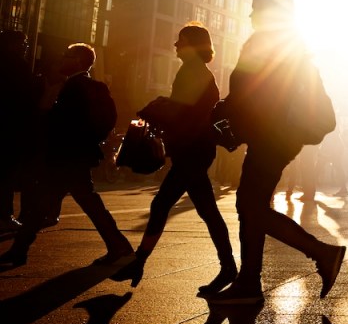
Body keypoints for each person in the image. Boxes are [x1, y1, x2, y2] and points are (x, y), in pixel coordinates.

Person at [205, 0, 346, 305]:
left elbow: (251, 92)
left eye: (255, 9)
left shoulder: (264, 42)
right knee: (249, 205)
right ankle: (249, 282)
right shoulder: (292, 44)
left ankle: (322, 253)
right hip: (280, 137)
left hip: (270, 136)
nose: (251, 16)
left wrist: (229, 113)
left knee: (251, 206)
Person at [111, 23, 236, 295]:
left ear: (192, 45)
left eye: (180, 41)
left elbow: (184, 112)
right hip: (193, 151)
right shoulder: (195, 72)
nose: (175, 45)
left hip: (193, 151)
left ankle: (226, 267)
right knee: (189, 208)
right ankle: (141, 262)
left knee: (176, 206)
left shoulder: (194, 72)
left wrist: (156, 109)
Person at [0, 43, 133, 267]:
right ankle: (118, 246)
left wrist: (48, 114)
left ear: (79, 61)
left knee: (48, 205)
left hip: (67, 157)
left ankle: (19, 251)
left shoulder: (74, 87)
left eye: (67, 56)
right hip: (74, 157)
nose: (62, 59)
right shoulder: (84, 86)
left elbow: (62, 122)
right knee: (62, 204)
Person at [0, 30, 41, 231]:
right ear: (11, 45)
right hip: (12, 130)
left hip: (10, 127)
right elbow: (28, 101)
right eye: (22, 43)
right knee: (7, 175)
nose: (25, 47)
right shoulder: (18, 67)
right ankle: (4, 216)